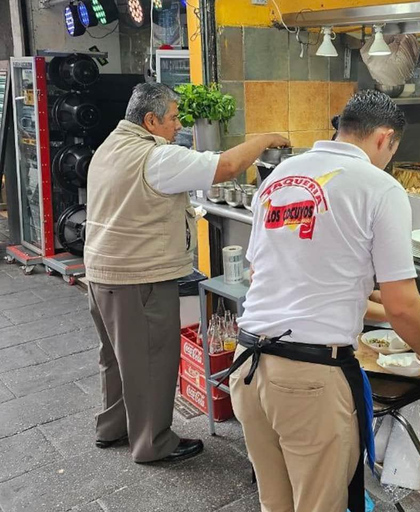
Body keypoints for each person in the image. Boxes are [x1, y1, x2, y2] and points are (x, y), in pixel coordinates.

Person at [227, 90, 420, 512]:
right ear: (384, 138)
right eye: (393, 149)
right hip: (309, 381)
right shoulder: (380, 187)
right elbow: (403, 305)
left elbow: (271, 274)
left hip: (248, 365)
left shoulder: (279, 177)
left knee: (277, 503)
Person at [84, 82, 288, 464]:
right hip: (137, 278)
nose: (178, 125)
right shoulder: (154, 157)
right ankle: (152, 443)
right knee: (150, 360)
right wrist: (261, 140)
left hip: (100, 274)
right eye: (173, 118)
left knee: (115, 357)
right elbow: (225, 166)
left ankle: (113, 428)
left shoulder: (111, 146)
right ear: (150, 120)